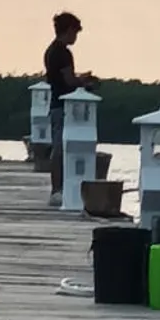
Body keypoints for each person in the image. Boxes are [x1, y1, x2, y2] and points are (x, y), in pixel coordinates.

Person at [43, 11, 96, 204]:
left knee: (60, 147)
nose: (76, 37)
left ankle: (59, 189)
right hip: (62, 106)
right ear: (68, 30)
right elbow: (69, 81)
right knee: (60, 148)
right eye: (75, 32)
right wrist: (85, 82)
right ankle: (58, 190)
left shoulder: (51, 50)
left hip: (55, 104)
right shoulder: (63, 53)